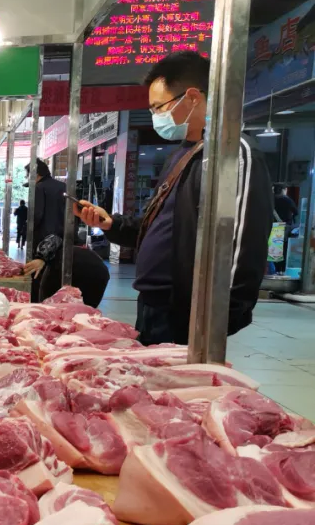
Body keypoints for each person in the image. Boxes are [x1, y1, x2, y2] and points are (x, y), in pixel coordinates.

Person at [73, 51, 272, 345]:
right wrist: (110, 224)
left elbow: (244, 242)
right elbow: (157, 225)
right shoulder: (181, 155)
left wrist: (219, 318)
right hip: (153, 305)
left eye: (159, 107)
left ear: (192, 97)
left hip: (188, 313)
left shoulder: (232, 154)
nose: (156, 117)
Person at [23, 236, 110, 307]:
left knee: (49, 308)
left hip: (85, 269)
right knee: (85, 311)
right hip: (101, 271)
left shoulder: (54, 266)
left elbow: (54, 238)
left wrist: (41, 258)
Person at [26, 158, 67, 254]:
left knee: (39, 266)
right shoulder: (64, 186)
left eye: (28, 175)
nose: (27, 177)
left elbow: (37, 214)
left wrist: (28, 228)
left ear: (35, 174)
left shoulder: (39, 187)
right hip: (62, 238)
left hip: (44, 241)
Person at [273, 183, 299, 274]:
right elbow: (296, 212)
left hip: (274, 227)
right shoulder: (287, 200)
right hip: (285, 227)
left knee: (275, 250)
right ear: (284, 190)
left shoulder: (271, 200)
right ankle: (282, 270)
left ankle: (275, 270)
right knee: (284, 249)